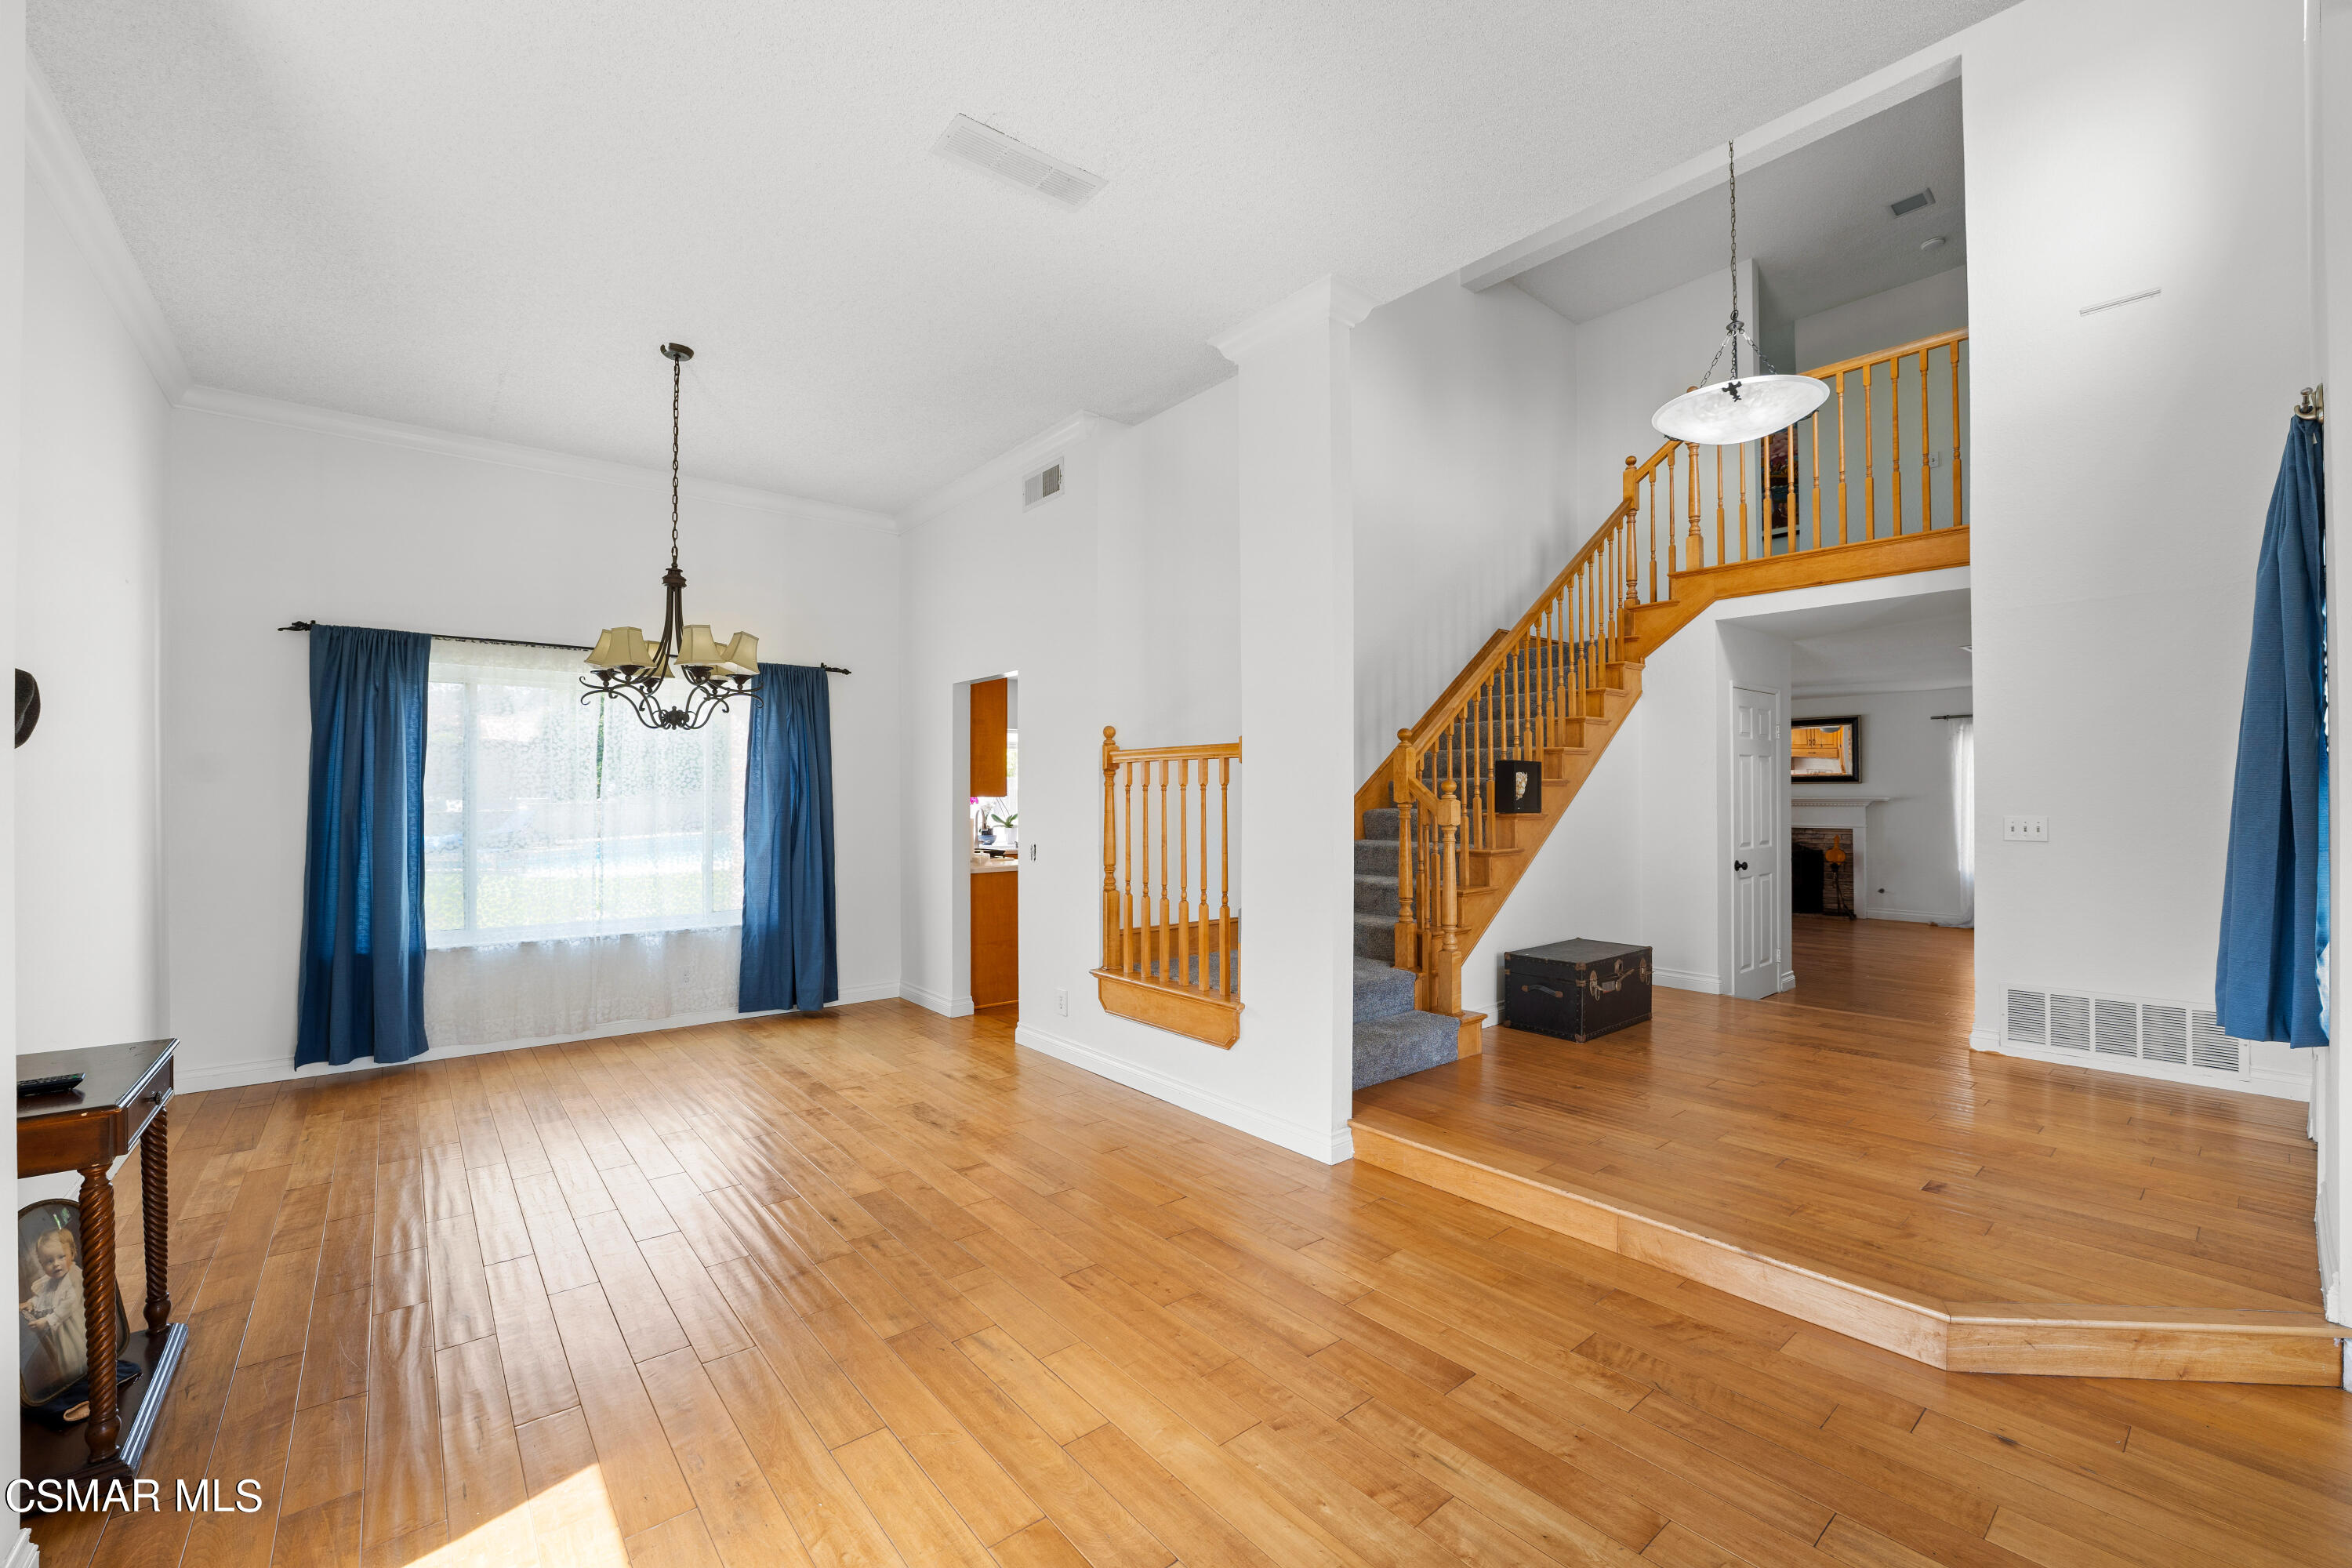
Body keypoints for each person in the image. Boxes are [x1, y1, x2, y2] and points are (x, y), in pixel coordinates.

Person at [20, 1224, 85, 1402]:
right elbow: (46, 1297)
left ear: (72, 1253)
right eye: (49, 1261)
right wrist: (31, 1303)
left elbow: (69, 1305)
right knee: (65, 1358)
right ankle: (74, 1385)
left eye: (61, 1257)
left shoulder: (75, 1276)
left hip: (75, 1326)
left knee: (77, 1353)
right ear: (42, 1264)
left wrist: (48, 1321)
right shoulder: (52, 1281)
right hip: (62, 1331)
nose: (56, 1264)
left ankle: (85, 1380)